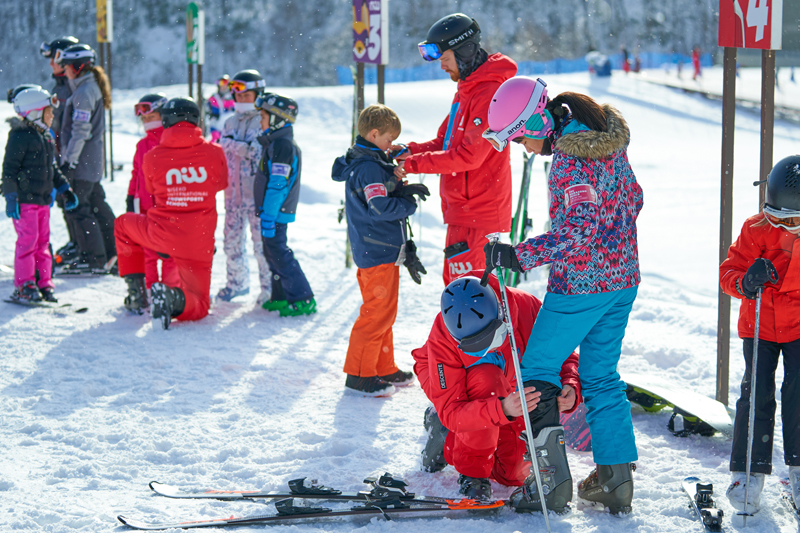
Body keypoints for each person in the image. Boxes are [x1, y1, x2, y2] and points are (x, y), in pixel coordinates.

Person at [481, 76, 643, 514]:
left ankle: (549, 483)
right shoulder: (607, 143)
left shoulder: (570, 162)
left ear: (538, 122)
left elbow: (579, 228)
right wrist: (611, 239)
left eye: (520, 138)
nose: (522, 148)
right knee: (600, 375)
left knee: (537, 367)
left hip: (583, 284)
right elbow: (634, 199)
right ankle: (615, 481)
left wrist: (520, 254)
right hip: (623, 277)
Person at [412, 274, 581, 512]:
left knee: (514, 474)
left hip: (507, 389)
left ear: (501, 313)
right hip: (455, 387)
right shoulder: (443, 339)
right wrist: (501, 409)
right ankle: (472, 472)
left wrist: (570, 384)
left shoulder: (526, 307)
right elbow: (453, 410)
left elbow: (564, 355)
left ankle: (448, 438)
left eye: (490, 338)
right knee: (486, 379)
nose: (486, 348)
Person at [391, 13, 516, 285]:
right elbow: (444, 144)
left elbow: (470, 156)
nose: (442, 68)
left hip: (478, 216)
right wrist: (407, 151)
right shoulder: (466, 90)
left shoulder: (487, 94)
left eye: (445, 60)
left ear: (465, 52)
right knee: (460, 292)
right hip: (464, 212)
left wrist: (412, 165)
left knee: (468, 300)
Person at [719, 155, 800, 514]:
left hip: (798, 328)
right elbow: (729, 274)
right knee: (756, 396)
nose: (780, 226)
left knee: (799, 395)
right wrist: (745, 280)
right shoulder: (755, 230)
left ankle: (798, 466)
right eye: (774, 217)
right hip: (760, 327)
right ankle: (747, 472)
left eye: (790, 220)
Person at [332, 104, 430, 396]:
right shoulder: (368, 168)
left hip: (379, 249)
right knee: (376, 314)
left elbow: (381, 192)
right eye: (389, 140)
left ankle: (382, 365)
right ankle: (359, 375)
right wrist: (407, 203)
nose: (391, 145)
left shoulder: (370, 161)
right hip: (377, 251)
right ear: (374, 134)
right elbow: (379, 207)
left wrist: (397, 185)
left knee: (384, 313)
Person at [115, 97, 228, 329]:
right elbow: (220, 184)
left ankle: (137, 293)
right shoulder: (215, 153)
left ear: (165, 121)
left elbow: (151, 190)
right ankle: (172, 298)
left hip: (161, 235)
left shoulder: (152, 156)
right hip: (198, 243)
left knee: (122, 225)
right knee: (200, 306)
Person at [3, 87, 78, 302]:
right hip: (25, 201)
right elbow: (9, 170)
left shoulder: (45, 136)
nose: (52, 115)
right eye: (49, 111)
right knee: (28, 242)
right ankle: (24, 285)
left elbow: (52, 169)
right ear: (35, 112)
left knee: (43, 243)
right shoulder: (19, 136)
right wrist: (10, 196)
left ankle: (44, 282)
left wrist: (65, 189)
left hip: (43, 201)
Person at [252, 92, 316, 317]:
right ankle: (280, 297)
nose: (260, 121)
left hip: (276, 213)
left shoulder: (282, 146)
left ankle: (303, 298)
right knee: (272, 254)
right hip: (272, 212)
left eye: (263, 116)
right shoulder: (275, 143)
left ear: (277, 119)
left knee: (279, 253)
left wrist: (269, 216)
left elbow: (278, 185)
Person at [56, 43, 117, 273]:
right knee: (96, 205)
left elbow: (80, 131)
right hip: (89, 162)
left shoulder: (83, 92)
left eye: (66, 66)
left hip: (82, 163)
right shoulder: (87, 88)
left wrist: (69, 162)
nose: (64, 70)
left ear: (77, 67)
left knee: (78, 208)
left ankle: (92, 258)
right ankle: (112, 252)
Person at [217, 70, 272, 303]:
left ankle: (268, 288)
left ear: (258, 95)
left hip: (256, 198)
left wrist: (232, 144)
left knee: (261, 246)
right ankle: (236, 283)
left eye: (246, 95)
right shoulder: (229, 121)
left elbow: (255, 151)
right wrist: (235, 145)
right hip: (232, 196)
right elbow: (224, 149)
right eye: (238, 96)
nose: (241, 100)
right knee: (231, 242)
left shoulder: (263, 121)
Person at [121, 93, 180, 312]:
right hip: (144, 208)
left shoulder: (171, 141)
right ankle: (152, 290)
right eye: (144, 119)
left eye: (151, 116)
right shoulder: (142, 144)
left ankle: (170, 291)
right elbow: (136, 173)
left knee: (170, 252)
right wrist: (130, 198)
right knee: (148, 253)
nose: (147, 122)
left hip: (167, 208)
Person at [39, 36, 80, 266]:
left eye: (53, 58)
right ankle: (77, 241)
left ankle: (84, 245)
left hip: (68, 153)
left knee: (74, 199)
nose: (51, 64)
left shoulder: (68, 87)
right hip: (60, 151)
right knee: (68, 200)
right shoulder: (61, 85)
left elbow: (62, 124)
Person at [206, 75, 235, 143]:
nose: (224, 86)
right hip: (217, 128)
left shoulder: (233, 98)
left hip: (230, 129)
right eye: (222, 83)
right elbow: (211, 117)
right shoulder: (213, 99)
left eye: (226, 83)